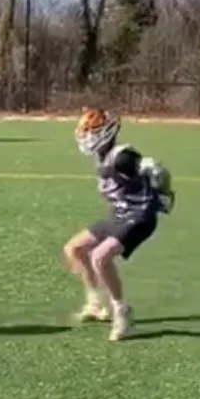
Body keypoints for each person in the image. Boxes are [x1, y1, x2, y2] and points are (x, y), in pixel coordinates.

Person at [62, 108, 174, 340]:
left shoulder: (123, 157)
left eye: (92, 131)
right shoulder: (102, 156)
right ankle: (95, 304)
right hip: (119, 214)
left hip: (139, 216)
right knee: (74, 249)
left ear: (106, 132)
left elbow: (156, 169)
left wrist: (163, 195)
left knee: (99, 257)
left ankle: (123, 314)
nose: (87, 137)